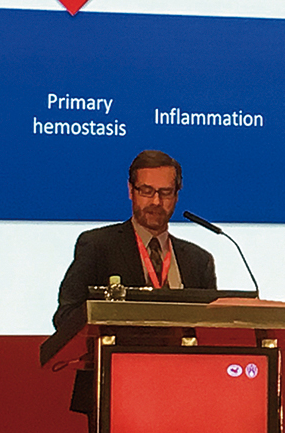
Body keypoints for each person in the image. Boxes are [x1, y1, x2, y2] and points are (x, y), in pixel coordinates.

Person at [45, 149, 217, 416]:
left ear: (176, 195)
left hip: (184, 393)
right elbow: (66, 315)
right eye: (147, 191)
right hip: (114, 392)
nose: (156, 201)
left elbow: (213, 332)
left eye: (165, 192)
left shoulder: (198, 260)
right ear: (131, 191)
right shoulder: (98, 246)